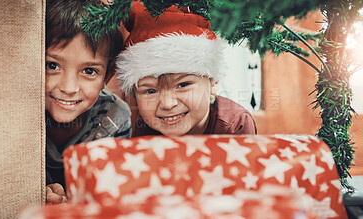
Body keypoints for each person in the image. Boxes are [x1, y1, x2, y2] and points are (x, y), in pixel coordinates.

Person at [116, 1, 257, 137]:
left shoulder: (235, 125)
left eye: (183, 85)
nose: (167, 104)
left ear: (214, 83)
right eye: (150, 91)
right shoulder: (145, 127)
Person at [45, 0, 131, 203]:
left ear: (107, 77)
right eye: (52, 65)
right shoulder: (17, 111)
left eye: (89, 71)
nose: (68, 87)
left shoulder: (114, 118)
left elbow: (108, 189)